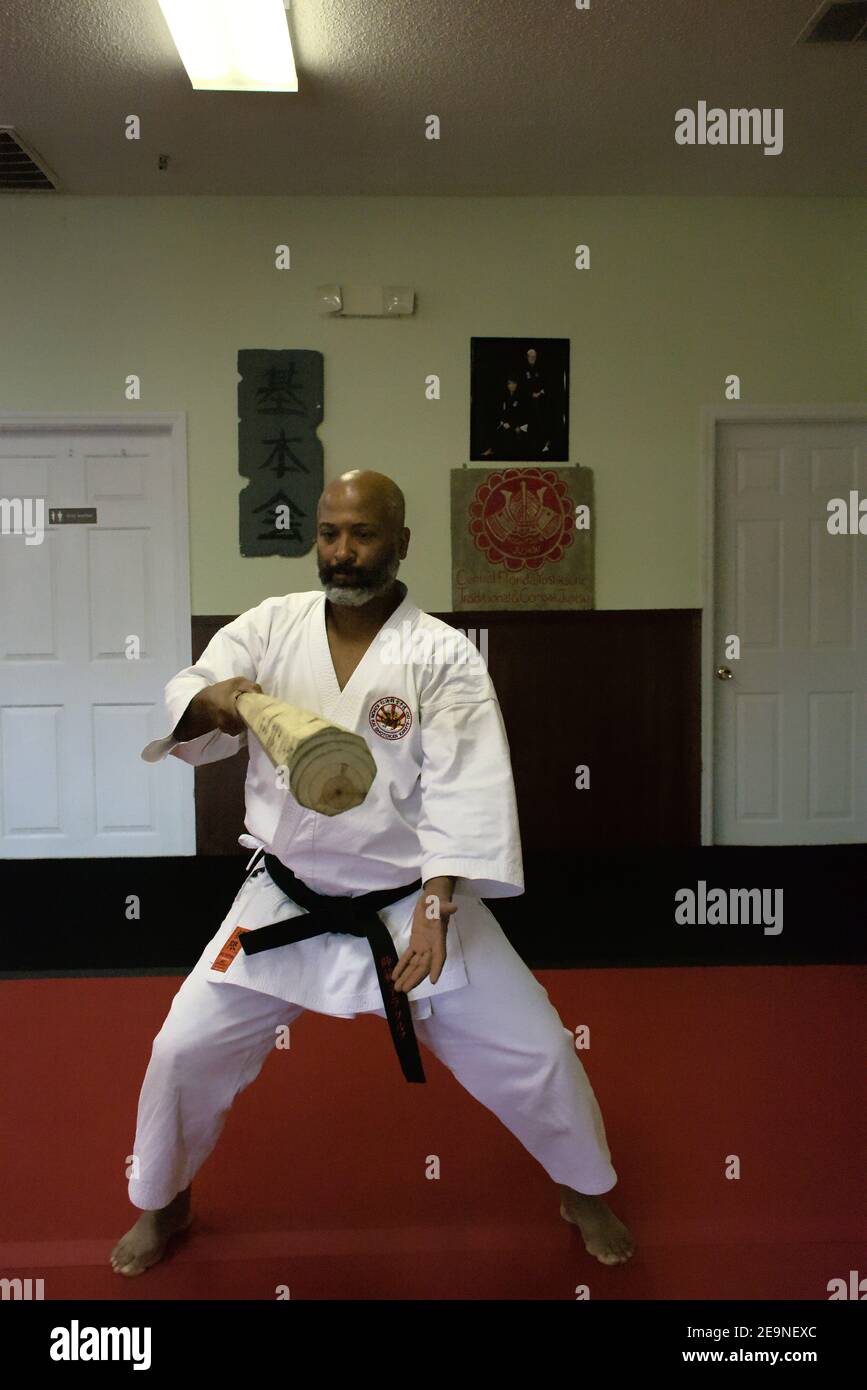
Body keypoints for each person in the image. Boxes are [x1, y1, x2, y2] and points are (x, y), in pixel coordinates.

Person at [110, 469, 635, 1278]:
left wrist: (437, 901)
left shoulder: (440, 655)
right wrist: (218, 701)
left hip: (408, 899)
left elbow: (468, 780)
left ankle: (582, 1185)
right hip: (284, 891)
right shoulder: (269, 626)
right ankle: (165, 1198)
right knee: (182, 1047)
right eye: (329, 534)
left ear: (400, 542)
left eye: (362, 534)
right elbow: (188, 690)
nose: (343, 552)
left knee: (535, 1048)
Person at [480, 374, 530, 460]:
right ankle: (491, 449)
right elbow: (504, 411)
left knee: (506, 435)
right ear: (507, 385)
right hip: (508, 423)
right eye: (510, 384)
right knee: (493, 429)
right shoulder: (507, 396)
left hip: (519, 424)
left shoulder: (520, 396)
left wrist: (511, 424)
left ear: (517, 384)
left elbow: (521, 414)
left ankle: (494, 450)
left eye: (514, 383)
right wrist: (503, 421)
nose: (512, 386)